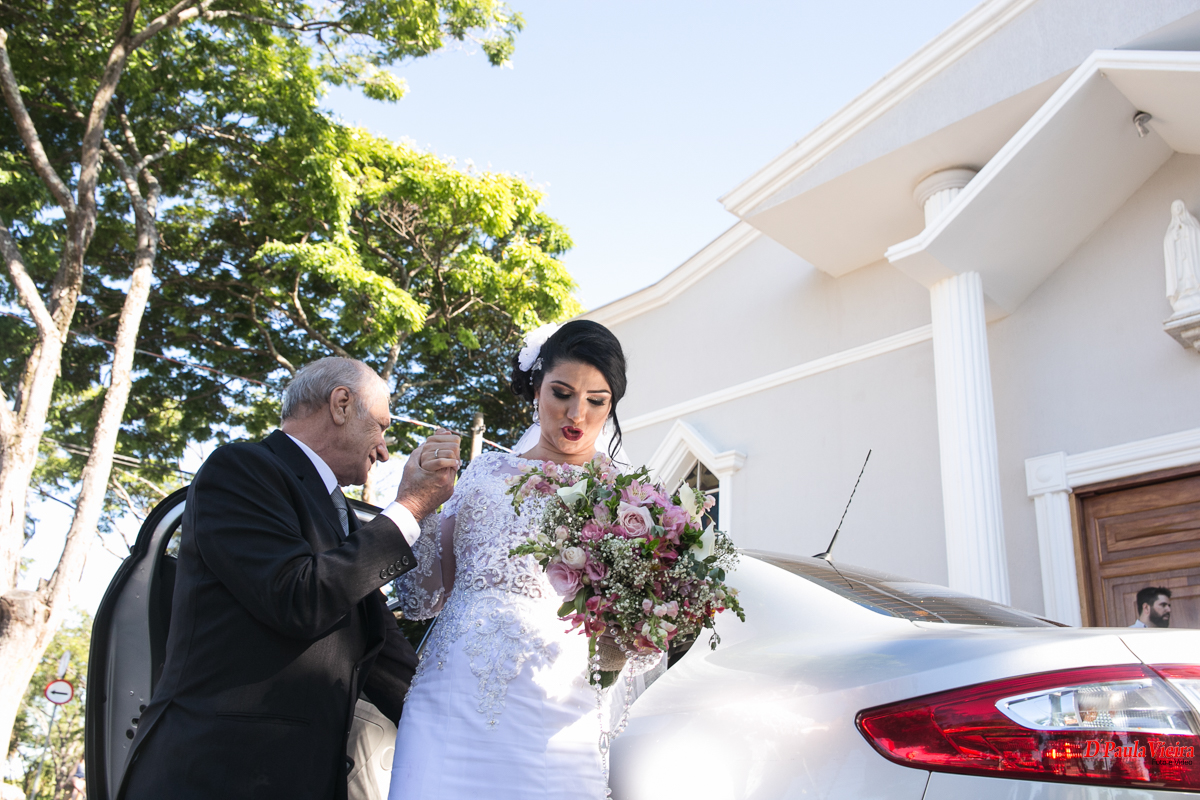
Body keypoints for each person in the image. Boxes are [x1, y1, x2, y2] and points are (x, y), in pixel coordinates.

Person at [119, 357, 461, 800]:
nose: (383, 451)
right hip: (216, 773)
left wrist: (478, 732)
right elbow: (297, 598)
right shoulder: (242, 469)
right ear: (341, 404)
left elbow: (384, 657)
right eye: (381, 427)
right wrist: (411, 507)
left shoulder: (344, 520)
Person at [388, 320, 632, 800]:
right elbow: (422, 599)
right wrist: (421, 502)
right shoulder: (483, 474)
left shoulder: (628, 499)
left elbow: (630, 639)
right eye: (562, 393)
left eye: (596, 400)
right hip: (448, 700)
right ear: (536, 387)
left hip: (555, 710)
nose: (576, 413)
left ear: (611, 406)